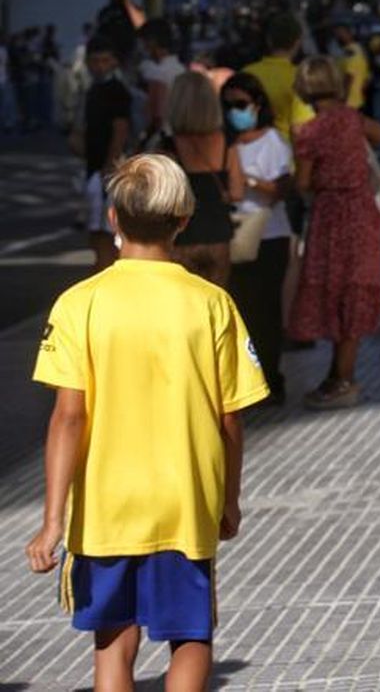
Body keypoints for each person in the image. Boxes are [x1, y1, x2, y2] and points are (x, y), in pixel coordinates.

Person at [26, 154, 269, 691]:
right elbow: (231, 419)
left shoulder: (78, 305)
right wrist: (228, 499)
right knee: (190, 635)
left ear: (112, 217)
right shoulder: (212, 303)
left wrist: (51, 521)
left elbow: (68, 417)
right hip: (184, 500)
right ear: (183, 218)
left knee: (113, 640)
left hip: (106, 505)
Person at [289, 56, 380, 408]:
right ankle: (340, 374)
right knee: (354, 290)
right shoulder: (354, 120)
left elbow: (302, 182)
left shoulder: (308, 131)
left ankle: (342, 379)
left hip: (330, 216)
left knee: (333, 290)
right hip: (361, 211)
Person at [223, 72, 293, 403]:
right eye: (228, 105)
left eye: (240, 104)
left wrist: (246, 180)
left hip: (268, 233)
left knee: (266, 310)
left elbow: (281, 189)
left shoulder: (273, 142)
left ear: (257, 103)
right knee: (241, 309)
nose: (233, 111)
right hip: (234, 232)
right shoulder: (225, 142)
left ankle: (271, 376)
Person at [164, 72, 244, 288]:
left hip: (180, 237)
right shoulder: (227, 144)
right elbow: (237, 192)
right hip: (218, 235)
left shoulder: (167, 147)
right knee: (214, 304)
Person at [74, 36, 132, 272]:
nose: (100, 66)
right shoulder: (93, 89)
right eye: (95, 61)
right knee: (95, 229)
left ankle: (106, 270)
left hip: (108, 169)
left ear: (115, 62)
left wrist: (110, 164)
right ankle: (101, 267)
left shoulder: (117, 91)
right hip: (93, 167)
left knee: (108, 230)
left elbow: (121, 128)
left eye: (105, 61)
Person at [242, 13, 314, 140]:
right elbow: (300, 129)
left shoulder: (246, 73)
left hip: (248, 154)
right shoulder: (301, 77)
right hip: (286, 155)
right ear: (297, 43)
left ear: (269, 41)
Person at [137, 19, 186, 139]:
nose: (142, 46)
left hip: (162, 135)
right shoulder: (180, 69)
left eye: (144, 41)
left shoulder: (157, 72)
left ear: (152, 42)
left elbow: (157, 115)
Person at [95, 0, 146, 68]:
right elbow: (99, 33)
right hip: (110, 56)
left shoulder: (134, 10)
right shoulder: (105, 13)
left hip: (130, 55)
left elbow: (141, 27)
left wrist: (127, 3)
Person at [331, 20, 371, 112]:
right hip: (358, 101)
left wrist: (342, 98)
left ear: (349, 34)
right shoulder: (357, 50)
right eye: (336, 34)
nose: (338, 37)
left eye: (340, 33)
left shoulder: (351, 52)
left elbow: (349, 76)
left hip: (350, 103)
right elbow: (367, 78)